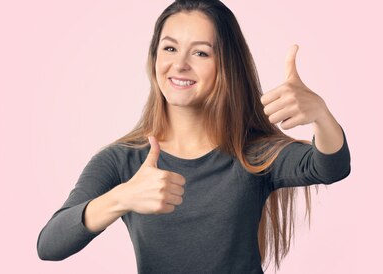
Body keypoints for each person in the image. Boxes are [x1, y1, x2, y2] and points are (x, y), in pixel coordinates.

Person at [36, 0, 351, 273]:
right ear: (154, 58)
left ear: (226, 65)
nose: (180, 64)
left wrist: (321, 115)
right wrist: (123, 198)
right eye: (170, 48)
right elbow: (50, 245)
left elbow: (331, 167)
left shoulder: (252, 152)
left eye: (200, 53)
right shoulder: (123, 160)